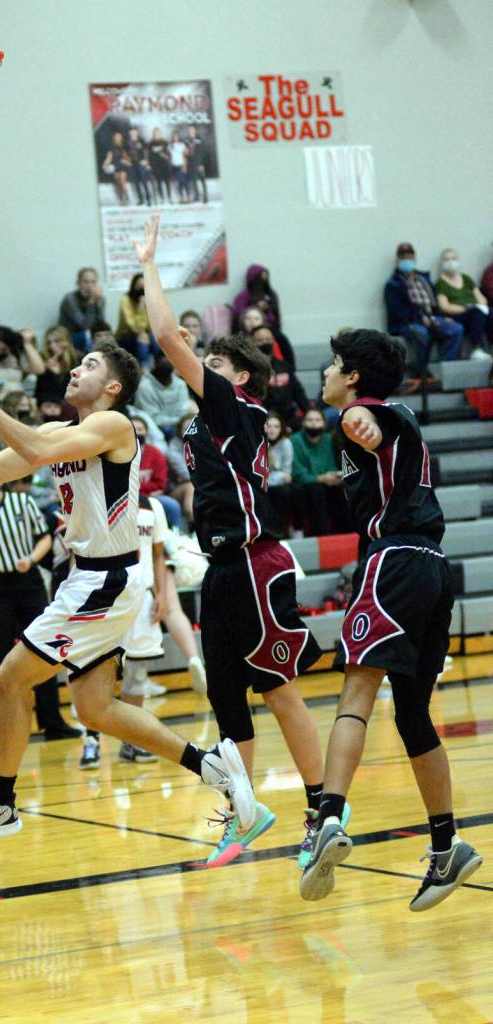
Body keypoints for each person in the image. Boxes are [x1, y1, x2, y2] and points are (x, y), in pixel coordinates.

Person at [0, 341, 256, 838]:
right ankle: (210, 764)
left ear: (113, 387)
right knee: (95, 707)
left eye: (89, 365)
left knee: (9, 679)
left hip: (105, 578)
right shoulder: (54, 430)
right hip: (91, 578)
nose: (73, 368)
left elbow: (39, 451)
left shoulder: (114, 425)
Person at [137, 213, 327, 868]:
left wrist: (150, 265)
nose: (201, 367)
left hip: (255, 562)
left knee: (279, 691)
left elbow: (165, 335)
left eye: (212, 361)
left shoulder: (231, 404)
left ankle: (324, 808)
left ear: (239, 377)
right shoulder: (211, 423)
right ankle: (246, 813)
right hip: (222, 567)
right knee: (224, 697)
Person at [299, 329, 483, 909]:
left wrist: (359, 424)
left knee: (355, 692)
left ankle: (327, 819)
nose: (324, 374)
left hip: (395, 560)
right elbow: (385, 430)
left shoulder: (363, 412)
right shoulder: (398, 413)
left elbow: (369, 425)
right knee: (411, 713)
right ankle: (446, 844)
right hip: (433, 567)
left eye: (332, 365)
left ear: (352, 376)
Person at [0, 484, 79, 740]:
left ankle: (52, 722)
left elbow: (44, 536)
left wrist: (30, 559)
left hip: (27, 581)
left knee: (44, 649)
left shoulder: (23, 502)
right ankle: (1, 726)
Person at [79, 493, 169, 769]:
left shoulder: (153, 505)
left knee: (137, 673)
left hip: (142, 598)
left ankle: (132, 741)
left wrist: (163, 593)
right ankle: (91, 742)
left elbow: (158, 555)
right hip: (107, 596)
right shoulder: (97, 499)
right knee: (96, 674)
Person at [384, 242, 464, 390]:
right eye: (403, 257)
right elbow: (397, 311)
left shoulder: (423, 279)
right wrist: (420, 318)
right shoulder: (393, 284)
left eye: (409, 256)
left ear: (414, 258)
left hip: (431, 317)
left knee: (456, 329)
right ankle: (422, 370)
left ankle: (445, 370)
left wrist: (441, 316)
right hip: (406, 323)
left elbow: (433, 303)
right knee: (421, 333)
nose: (407, 260)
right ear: (397, 260)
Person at [291, 408, 352, 536]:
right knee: (316, 489)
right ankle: (320, 533)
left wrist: (335, 475)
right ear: (303, 423)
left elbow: (331, 464)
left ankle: (347, 532)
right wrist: (320, 478)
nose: (314, 424)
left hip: (327, 480)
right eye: (310, 420)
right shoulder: (295, 440)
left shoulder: (328, 439)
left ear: (324, 424)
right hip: (306, 484)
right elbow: (297, 473)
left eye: (318, 420)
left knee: (342, 488)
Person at [434, 248, 491, 359]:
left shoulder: (466, 279)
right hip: (457, 315)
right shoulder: (440, 283)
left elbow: (482, 299)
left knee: (489, 312)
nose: (451, 262)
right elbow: (445, 306)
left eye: (454, 259)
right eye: (447, 260)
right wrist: (466, 308)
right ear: (442, 263)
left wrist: (477, 306)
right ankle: (477, 349)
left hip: (476, 311)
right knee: (477, 312)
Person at [253, 325, 308, 431]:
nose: (265, 342)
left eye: (268, 339)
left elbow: (299, 393)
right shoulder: (249, 371)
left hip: (289, 419)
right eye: (260, 340)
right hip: (262, 419)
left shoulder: (284, 366)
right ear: (253, 343)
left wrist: (309, 412)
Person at [131, 416, 182, 530]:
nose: (137, 433)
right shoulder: (120, 454)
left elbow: (161, 485)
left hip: (152, 497)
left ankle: (178, 541)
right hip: (128, 498)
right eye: (133, 429)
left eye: (140, 429)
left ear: (146, 432)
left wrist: (139, 488)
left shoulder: (155, 453)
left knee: (172, 506)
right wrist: (145, 488)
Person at [135, 350, 193, 440]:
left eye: (169, 359)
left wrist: (178, 423)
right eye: (163, 359)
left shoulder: (180, 384)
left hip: (178, 428)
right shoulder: (144, 386)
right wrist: (176, 421)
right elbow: (152, 418)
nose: (167, 361)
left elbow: (183, 413)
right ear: (155, 363)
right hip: (153, 429)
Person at [58, 268, 106, 351]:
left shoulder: (99, 298)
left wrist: (98, 304)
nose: (89, 286)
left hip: (89, 337)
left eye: (93, 282)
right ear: (78, 283)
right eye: (86, 282)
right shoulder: (70, 299)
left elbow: (100, 323)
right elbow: (84, 325)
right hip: (69, 337)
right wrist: (91, 303)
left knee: (105, 336)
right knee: (87, 335)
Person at [116, 273, 157, 367]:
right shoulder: (125, 300)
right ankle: (143, 370)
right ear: (133, 287)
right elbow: (135, 328)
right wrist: (141, 308)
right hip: (125, 336)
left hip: (144, 334)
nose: (141, 290)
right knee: (143, 336)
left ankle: (162, 365)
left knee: (156, 336)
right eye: (139, 286)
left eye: (144, 287)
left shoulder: (150, 301)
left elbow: (151, 326)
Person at [265, 412, 294, 535]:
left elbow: (287, 474)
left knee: (284, 491)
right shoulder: (258, 442)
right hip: (263, 482)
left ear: (281, 428)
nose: (272, 430)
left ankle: (283, 531)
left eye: (276, 426)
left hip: (277, 483)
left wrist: (277, 475)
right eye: (269, 426)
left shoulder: (286, 443)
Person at [35, 326, 78, 406]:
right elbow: (41, 391)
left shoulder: (77, 358)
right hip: (49, 405)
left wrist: (59, 374)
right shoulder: (44, 358)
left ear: (66, 341)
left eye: (56, 341)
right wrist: (53, 374)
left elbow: (73, 389)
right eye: (49, 342)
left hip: (71, 404)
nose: (52, 346)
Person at [232, 266, 282, 333]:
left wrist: (268, 308)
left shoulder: (271, 294)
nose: (264, 281)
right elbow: (238, 314)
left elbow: (276, 315)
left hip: (271, 330)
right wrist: (256, 307)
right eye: (261, 279)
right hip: (250, 331)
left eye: (265, 279)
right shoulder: (243, 296)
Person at [101, 131, 132, 205]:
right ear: (114, 138)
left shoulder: (123, 147)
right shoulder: (111, 147)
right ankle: (121, 197)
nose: (118, 137)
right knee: (118, 183)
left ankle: (127, 197)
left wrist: (126, 162)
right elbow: (109, 158)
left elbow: (128, 158)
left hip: (122, 166)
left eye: (119, 136)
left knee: (122, 181)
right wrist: (105, 165)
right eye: (117, 136)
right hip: (115, 166)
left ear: (121, 138)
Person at [126, 126, 154, 206]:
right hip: (133, 164)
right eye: (131, 132)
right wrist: (128, 161)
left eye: (134, 132)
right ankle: (141, 199)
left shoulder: (141, 141)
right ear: (129, 133)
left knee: (144, 181)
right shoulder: (128, 143)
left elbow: (146, 152)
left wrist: (146, 162)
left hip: (141, 163)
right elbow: (126, 154)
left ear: (137, 133)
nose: (133, 134)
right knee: (136, 182)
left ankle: (148, 199)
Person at [147, 126, 172, 203]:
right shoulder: (151, 143)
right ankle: (162, 198)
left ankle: (169, 197)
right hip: (156, 166)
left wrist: (165, 156)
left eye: (158, 133)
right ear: (153, 134)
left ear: (160, 133)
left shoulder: (165, 142)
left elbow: (169, 154)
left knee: (167, 182)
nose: (157, 134)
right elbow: (149, 155)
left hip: (165, 165)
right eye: (156, 133)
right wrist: (150, 165)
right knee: (159, 182)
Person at [187, 125, 208, 203]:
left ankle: (205, 196)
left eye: (192, 130)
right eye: (189, 131)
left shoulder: (199, 140)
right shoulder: (189, 140)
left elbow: (202, 152)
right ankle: (197, 196)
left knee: (202, 180)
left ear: (195, 130)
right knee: (194, 180)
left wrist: (201, 164)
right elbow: (188, 152)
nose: (191, 132)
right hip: (191, 163)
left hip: (199, 163)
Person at [169, 130, 190, 203]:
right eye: (174, 136)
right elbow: (169, 156)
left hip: (182, 165)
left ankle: (188, 197)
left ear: (178, 137)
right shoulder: (170, 146)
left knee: (184, 182)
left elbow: (186, 154)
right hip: (174, 166)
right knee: (179, 183)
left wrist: (184, 165)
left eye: (176, 136)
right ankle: (181, 198)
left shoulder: (182, 145)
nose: (175, 137)